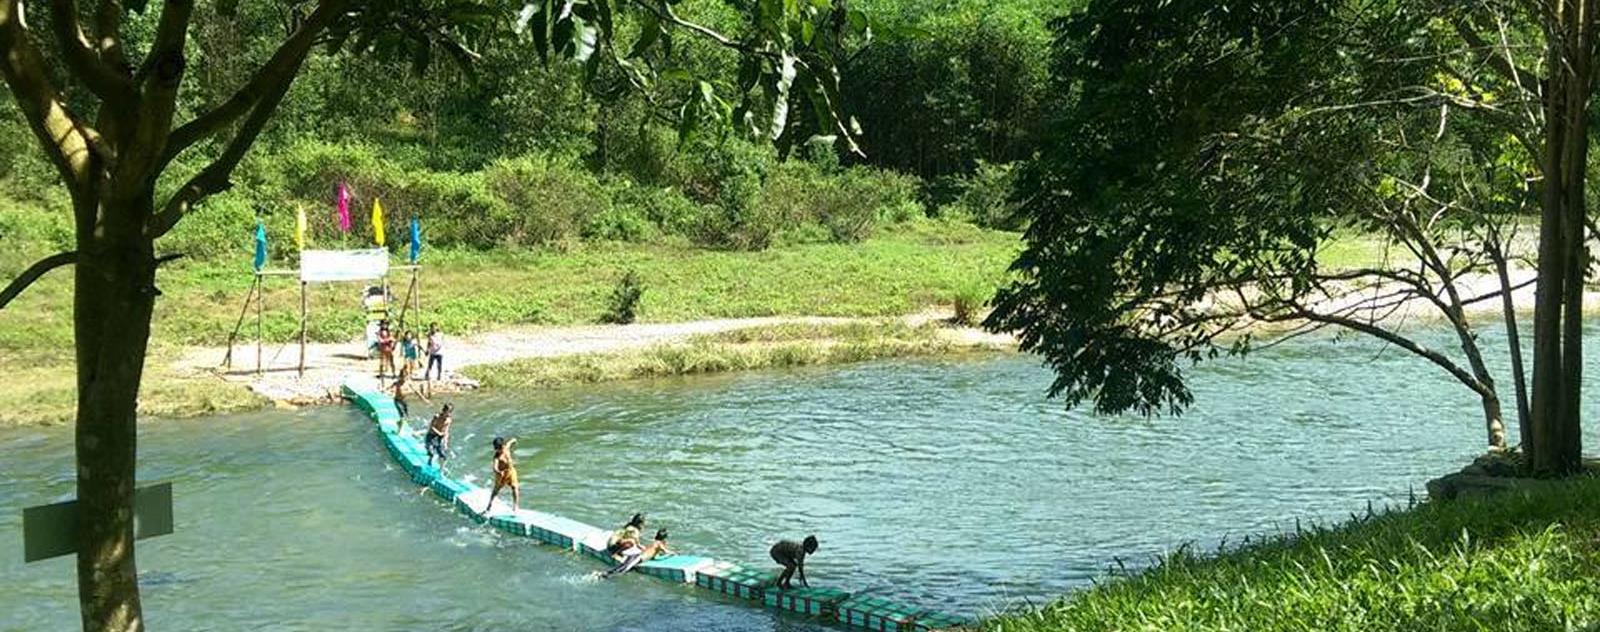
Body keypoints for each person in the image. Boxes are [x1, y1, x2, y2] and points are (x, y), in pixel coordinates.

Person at [602, 528, 673, 579]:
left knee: (623, 567)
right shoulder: (659, 544)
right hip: (638, 557)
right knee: (624, 569)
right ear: (664, 538)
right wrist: (673, 554)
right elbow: (666, 551)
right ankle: (605, 576)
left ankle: (605, 574)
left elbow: (652, 554)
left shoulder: (654, 543)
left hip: (636, 555)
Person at [482, 436, 520, 514]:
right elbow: (495, 467)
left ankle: (515, 506)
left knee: (515, 487)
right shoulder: (497, 457)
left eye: (499, 448)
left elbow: (509, 443)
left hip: (511, 471)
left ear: (503, 446)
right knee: (495, 491)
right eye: (496, 449)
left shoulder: (506, 448)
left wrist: (513, 440)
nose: (498, 450)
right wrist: (498, 472)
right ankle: (489, 505)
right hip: (501, 475)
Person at [425, 403, 453, 472]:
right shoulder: (437, 417)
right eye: (448, 412)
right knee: (431, 452)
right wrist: (438, 433)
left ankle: (441, 470)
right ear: (444, 411)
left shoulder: (448, 420)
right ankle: (429, 463)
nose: (449, 414)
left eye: (450, 412)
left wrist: (445, 441)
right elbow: (431, 427)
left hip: (440, 437)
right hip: (431, 435)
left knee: (442, 455)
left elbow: (446, 431)